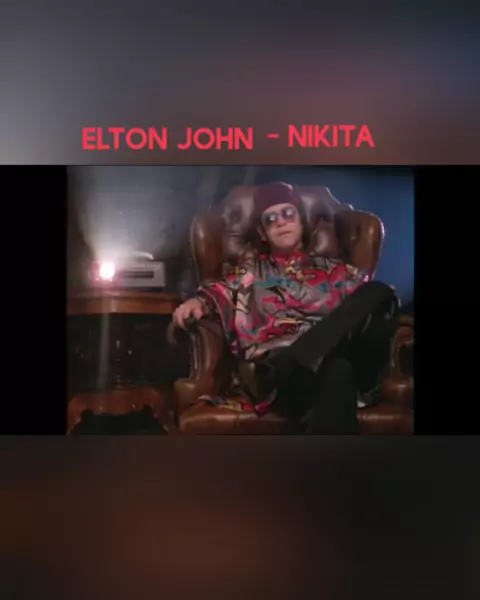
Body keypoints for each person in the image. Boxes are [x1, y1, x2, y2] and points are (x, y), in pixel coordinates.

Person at [173, 182, 398, 434]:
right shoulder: (250, 273)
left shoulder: (334, 271)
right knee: (340, 371)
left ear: (301, 222)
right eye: (270, 219)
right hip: (280, 379)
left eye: (288, 214)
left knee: (378, 294)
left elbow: (372, 308)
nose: (281, 222)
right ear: (262, 233)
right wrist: (197, 301)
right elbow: (217, 292)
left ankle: (301, 358)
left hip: (316, 368)